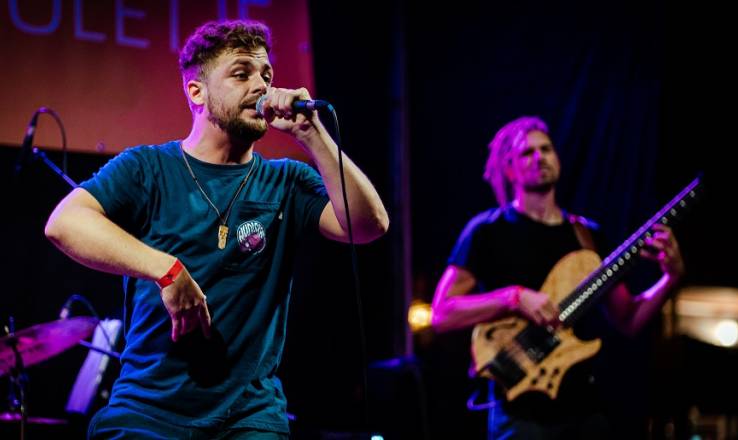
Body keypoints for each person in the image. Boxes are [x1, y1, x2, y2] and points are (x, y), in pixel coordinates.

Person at [44, 19, 388, 439]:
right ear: (197, 93)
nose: (261, 86)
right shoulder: (147, 168)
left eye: (266, 75)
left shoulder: (287, 181)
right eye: (241, 74)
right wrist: (168, 271)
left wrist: (312, 134)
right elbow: (65, 222)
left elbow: (368, 225)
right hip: (145, 413)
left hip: (248, 418)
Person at [430, 116, 684, 439]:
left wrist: (671, 278)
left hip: (584, 408)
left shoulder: (587, 236)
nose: (540, 157)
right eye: (527, 152)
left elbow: (628, 320)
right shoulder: (486, 231)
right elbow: (442, 313)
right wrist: (514, 298)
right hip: (519, 412)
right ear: (509, 170)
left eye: (546, 149)